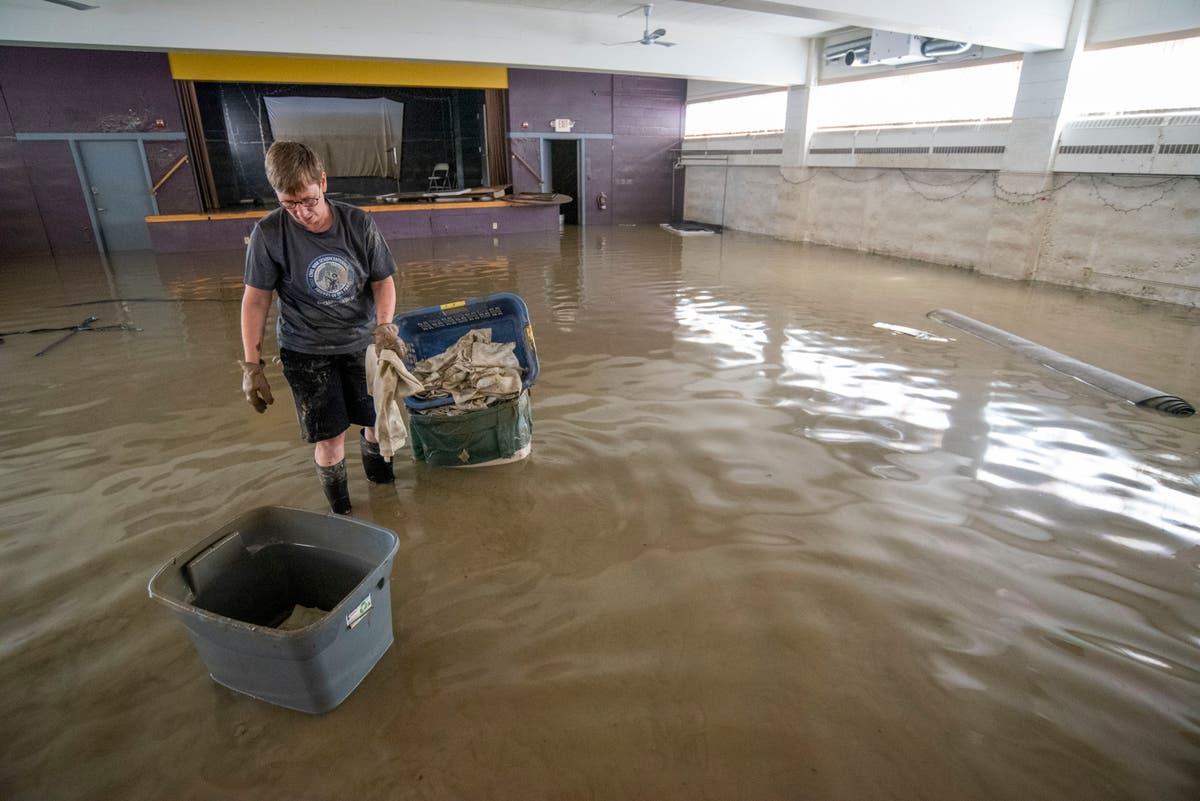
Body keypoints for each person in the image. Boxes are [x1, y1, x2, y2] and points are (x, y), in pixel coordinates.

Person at [239, 141, 405, 514]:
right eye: (289, 204)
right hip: (306, 351)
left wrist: (385, 328)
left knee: (376, 423)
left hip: (362, 344)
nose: (301, 213)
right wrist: (252, 365)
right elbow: (256, 300)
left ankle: (385, 499)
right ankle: (343, 513)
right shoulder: (269, 234)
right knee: (330, 439)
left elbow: (383, 281)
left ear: (323, 183)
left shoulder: (357, 223)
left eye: (309, 201)